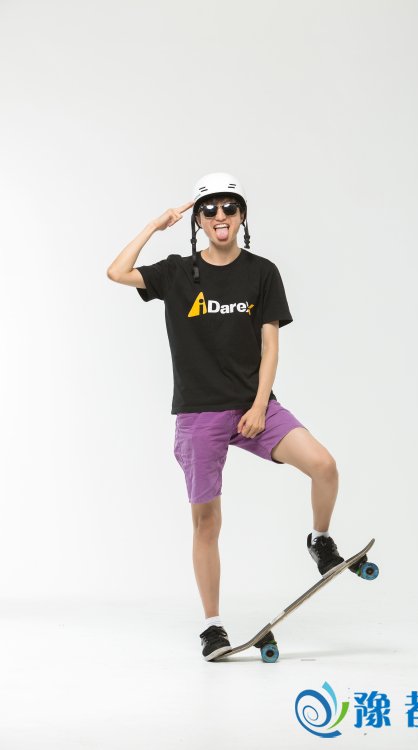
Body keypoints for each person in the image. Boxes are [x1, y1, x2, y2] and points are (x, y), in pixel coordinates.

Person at [107, 172, 345, 661]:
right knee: (207, 522)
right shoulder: (177, 272)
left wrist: (258, 406)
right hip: (198, 412)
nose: (220, 216)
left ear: (242, 216)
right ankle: (212, 627)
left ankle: (320, 540)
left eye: (229, 207)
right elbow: (117, 271)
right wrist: (154, 225)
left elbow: (270, 345)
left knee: (324, 465)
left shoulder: (262, 272)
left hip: (253, 406)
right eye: (210, 208)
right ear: (198, 218)